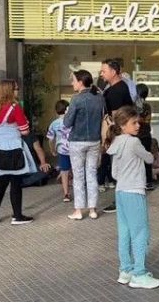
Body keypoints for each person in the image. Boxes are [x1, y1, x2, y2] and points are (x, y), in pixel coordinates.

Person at [105, 106, 159, 289]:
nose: (138, 125)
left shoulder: (116, 143)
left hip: (120, 191)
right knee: (140, 233)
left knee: (125, 232)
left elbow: (114, 173)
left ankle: (126, 270)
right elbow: (150, 159)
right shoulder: (134, 142)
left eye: (138, 122)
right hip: (134, 191)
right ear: (122, 124)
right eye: (134, 122)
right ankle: (139, 273)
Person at [0, 79, 45, 226]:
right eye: (16, 89)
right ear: (10, 91)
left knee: (0, 183)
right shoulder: (14, 107)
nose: (18, 91)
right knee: (16, 182)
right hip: (14, 149)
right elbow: (25, 130)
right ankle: (17, 216)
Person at [65, 70, 105, 221]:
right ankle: (93, 209)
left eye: (73, 80)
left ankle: (78, 210)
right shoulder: (99, 97)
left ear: (81, 82)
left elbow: (67, 123)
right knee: (92, 174)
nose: (72, 83)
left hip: (77, 141)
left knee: (78, 176)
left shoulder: (76, 99)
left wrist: (69, 113)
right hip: (94, 140)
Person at [100, 58, 135, 213]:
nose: (101, 74)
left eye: (104, 71)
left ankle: (120, 201)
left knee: (119, 169)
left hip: (119, 135)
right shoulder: (117, 87)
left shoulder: (116, 90)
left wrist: (109, 137)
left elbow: (115, 117)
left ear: (114, 72)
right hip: (122, 134)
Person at [47, 100, 72, 202]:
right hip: (74, 149)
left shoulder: (54, 124)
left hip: (62, 150)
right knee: (77, 170)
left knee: (64, 171)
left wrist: (53, 150)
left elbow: (50, 139)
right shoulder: (71, 121)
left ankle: (66, 194)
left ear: (56, 111)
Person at [135, 83, 155, 190]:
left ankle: (148, 181)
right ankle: (147, 181)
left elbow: (146, 120)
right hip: (145, 135)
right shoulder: (146, 106)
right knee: (145, 158)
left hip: (141, 136)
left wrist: (137, 116)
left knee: (144, 159)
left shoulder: (143, 106)